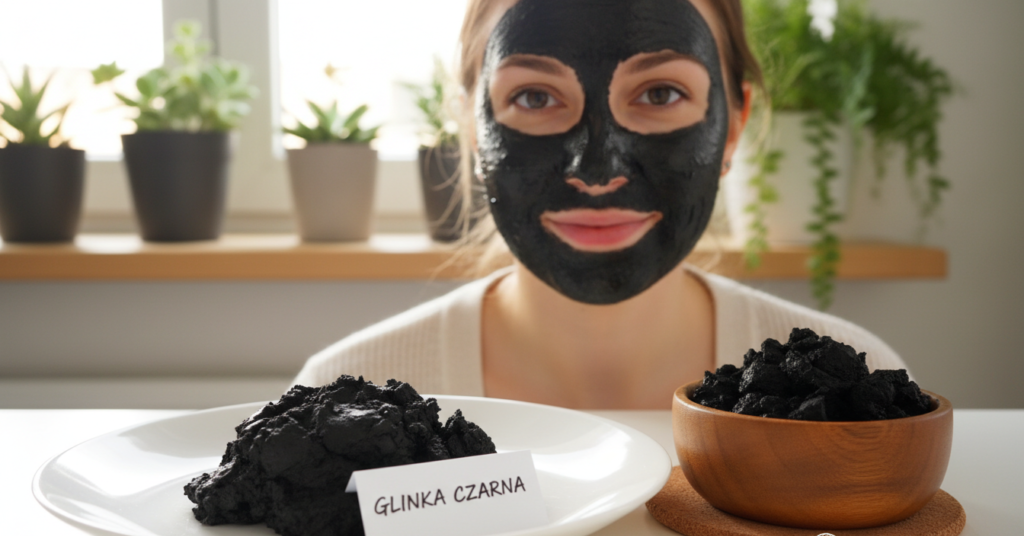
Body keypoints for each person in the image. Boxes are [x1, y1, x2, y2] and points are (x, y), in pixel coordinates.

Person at [294, 0, 907, 409]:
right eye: (535, 97)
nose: (597, 172)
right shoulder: (338, 403)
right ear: (472, 127)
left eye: (661, 92)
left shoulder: (852, 390)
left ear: (734, 128)